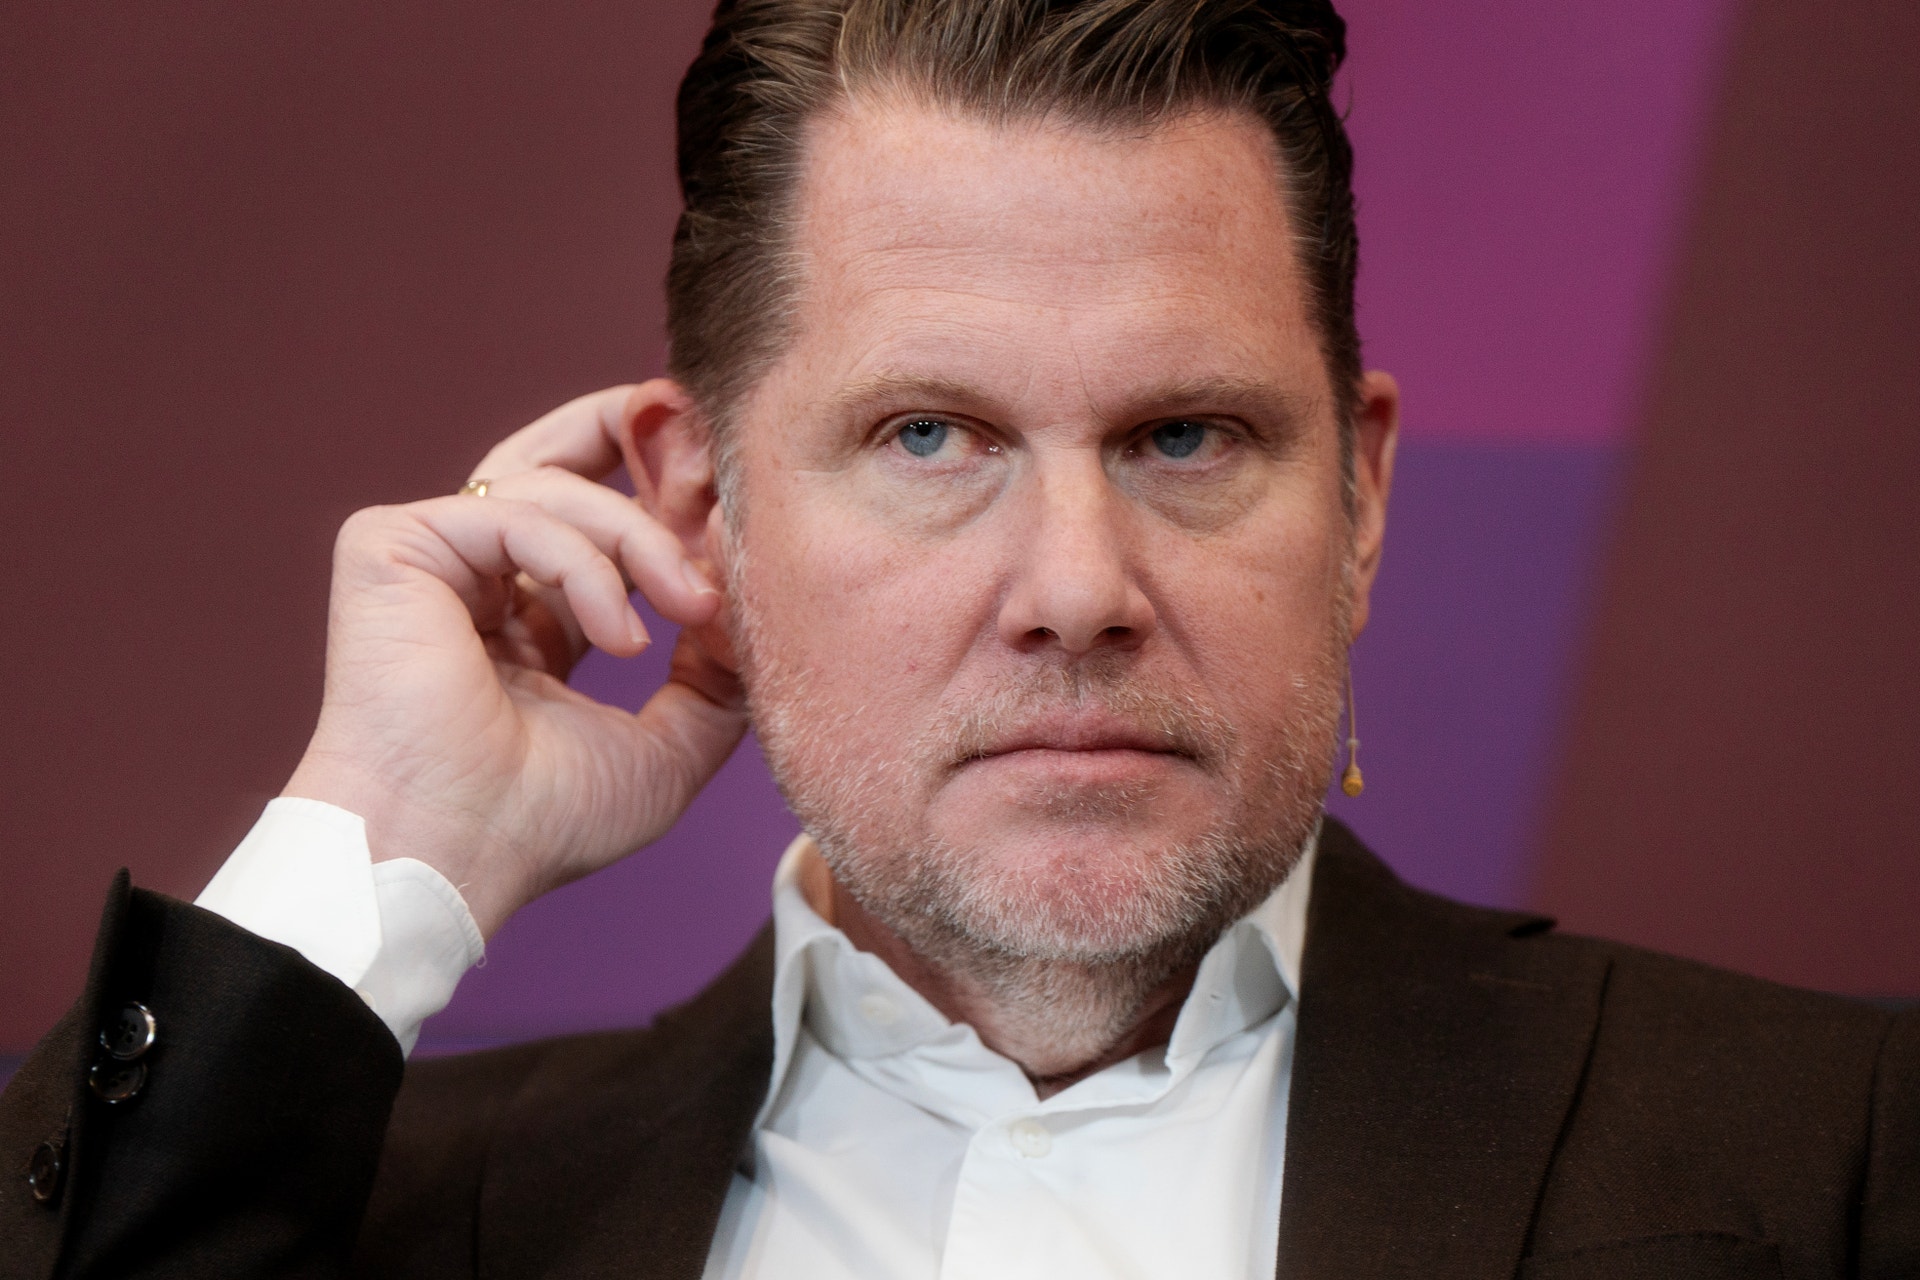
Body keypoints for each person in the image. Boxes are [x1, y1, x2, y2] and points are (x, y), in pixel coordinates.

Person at [3, 0, 1915, 1276]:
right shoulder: (371, 1217)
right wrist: (385, 832)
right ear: (703, 513)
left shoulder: (1833, 1153)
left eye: (1187, 436)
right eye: (931, 437)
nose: (1077, 585)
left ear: (1359, 499)